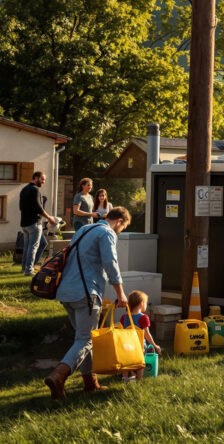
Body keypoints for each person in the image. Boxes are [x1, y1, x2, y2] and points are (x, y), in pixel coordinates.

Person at [44, 207, 131, 400]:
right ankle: (58, 375)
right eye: (123, 227)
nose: (120, 231)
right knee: (86, 339)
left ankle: (91, 384)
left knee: (82, 339)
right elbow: (110, 263)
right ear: (119, 221)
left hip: (65, 291)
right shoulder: (107, 233)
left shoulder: (84, 230)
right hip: (86, 292)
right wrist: (120, 293)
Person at [19, 171, 57, 276]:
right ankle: (29, 270)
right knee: (33, 247)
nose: (43, 182)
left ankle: (26, 267)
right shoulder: (35, 190)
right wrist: (50, 218)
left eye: (44, 180)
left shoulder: (24, 189)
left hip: (25, 223)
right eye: (42, 179)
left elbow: (21, 207)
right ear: (36, 178)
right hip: (34, 224)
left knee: (40, 244)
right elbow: (39, 208)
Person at [119, 290, 162, 381]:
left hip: (126, 346)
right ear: (141, 303)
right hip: (139, 347)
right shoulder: (143, 318)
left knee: (126, 362)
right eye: (146, 303)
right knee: (140, 362)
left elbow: (121, 332)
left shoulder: (124, 317)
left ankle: (125, 377)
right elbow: (147, 334)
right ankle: (139, 379)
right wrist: (155, 345)